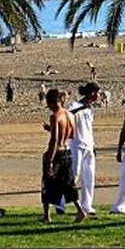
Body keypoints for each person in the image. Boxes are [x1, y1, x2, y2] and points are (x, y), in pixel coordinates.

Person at [42, 88, 85, 223]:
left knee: (47, 183)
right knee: (68, 183)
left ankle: (47, 215)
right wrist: (53, 129)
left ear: (51, 102)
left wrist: (50, 160)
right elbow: (71, 134)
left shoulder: (55, 116)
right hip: (67, 151)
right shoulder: (69, 115)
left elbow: (54, 140)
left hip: (57, 152)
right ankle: (80, 211)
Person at [68, 82, 102, 218]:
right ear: (92, 93)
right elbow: (68, 115)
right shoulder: (75, 106)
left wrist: (93, 146)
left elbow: (89, 129)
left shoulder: (90, 109)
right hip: (76, 145)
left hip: (88, 146)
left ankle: (87, 205)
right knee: (74, 175)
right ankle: (61, 202)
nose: (99, 96)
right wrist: (82, 108)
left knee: (89, 177)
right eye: (98, 93)